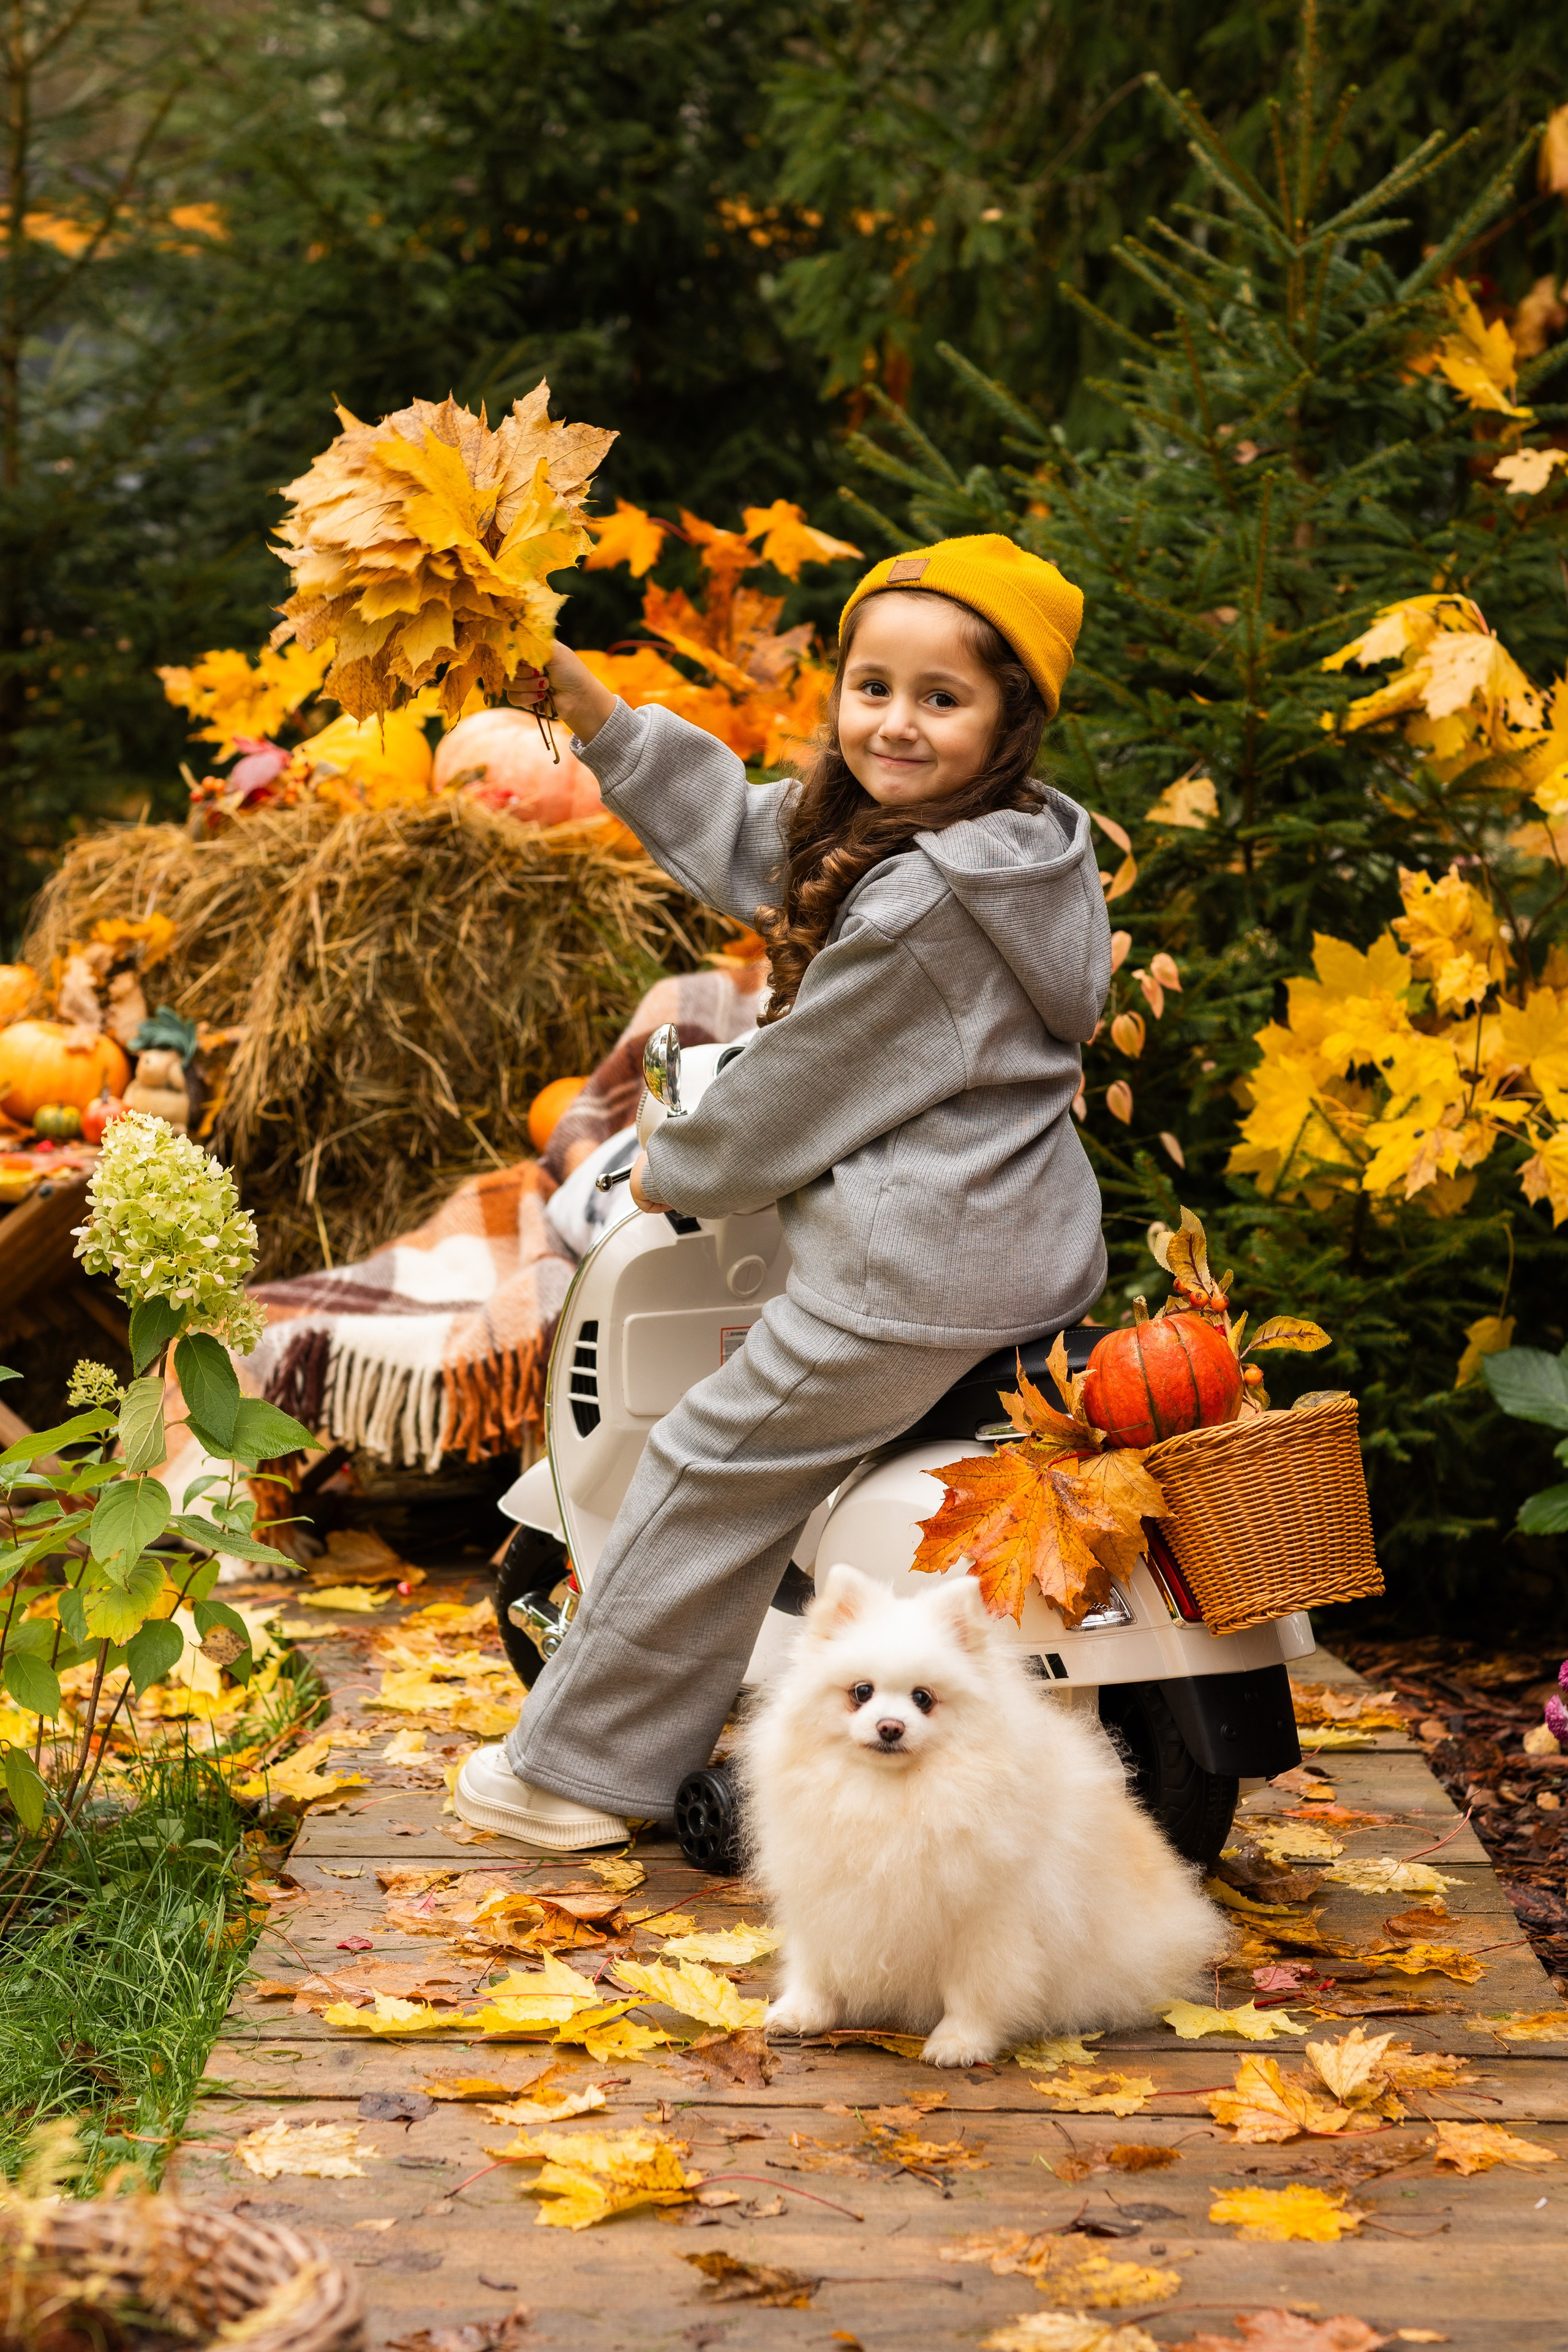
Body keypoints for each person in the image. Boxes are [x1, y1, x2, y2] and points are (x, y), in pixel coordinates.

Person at [454, 531, 1112, 1849]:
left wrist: (671, 1163)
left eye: (942, 699)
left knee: (708, 1459)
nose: (896, 724)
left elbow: (799, 1084)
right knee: (776, 1460)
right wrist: (591, 710)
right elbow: (773, 838)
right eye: (872, 687)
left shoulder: (934, 902)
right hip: (1016, 1248)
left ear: (1012, 719)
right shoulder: (1001, 845)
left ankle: (582, 1776)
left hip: (908, 1273)